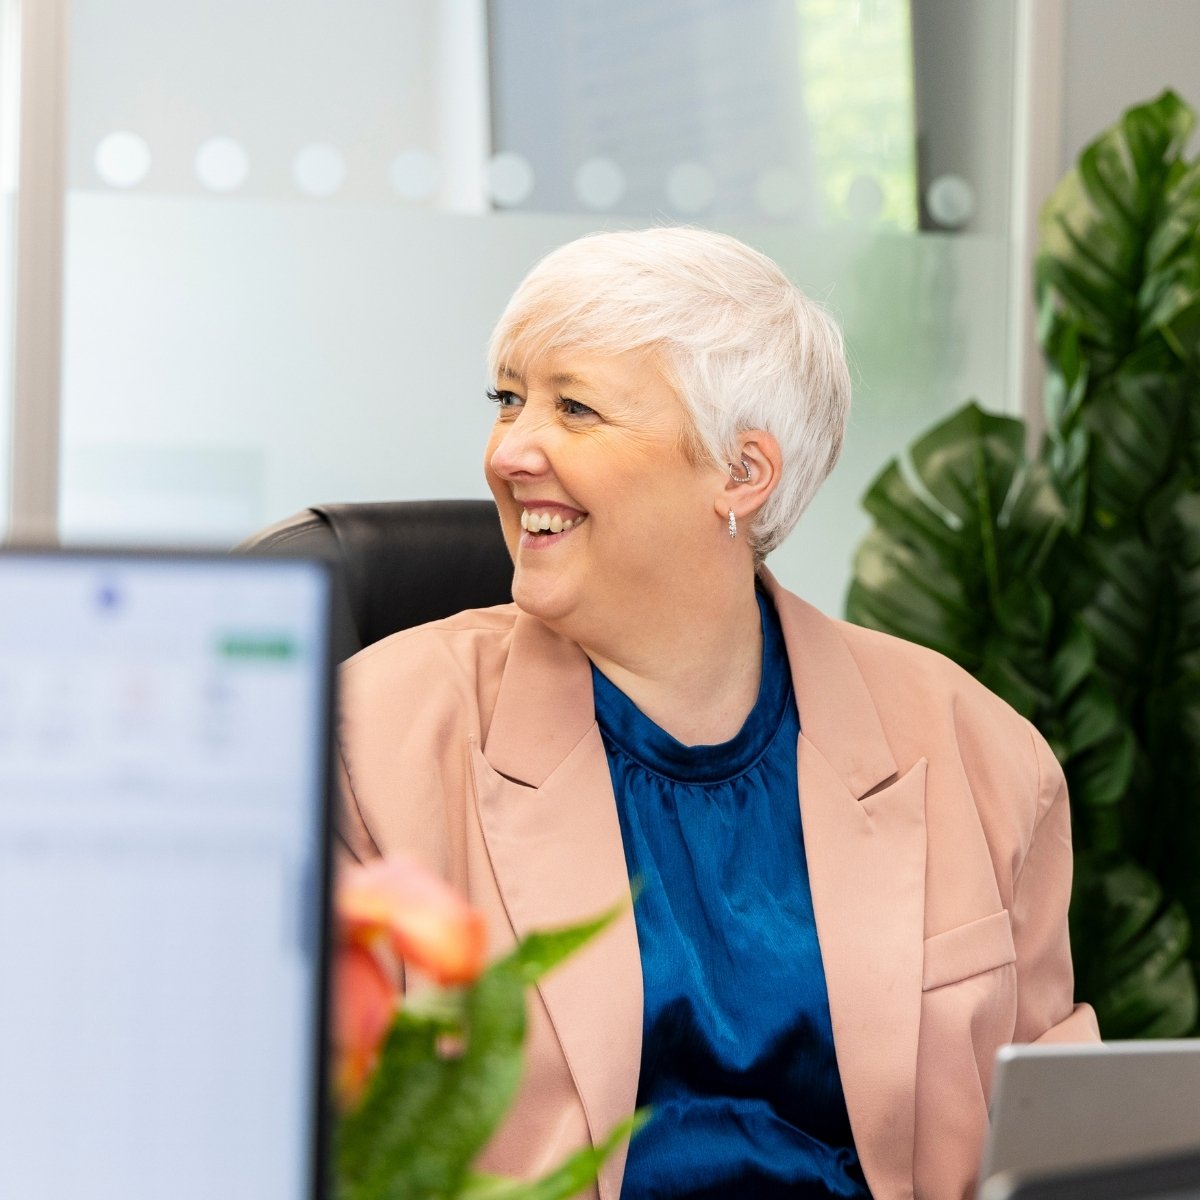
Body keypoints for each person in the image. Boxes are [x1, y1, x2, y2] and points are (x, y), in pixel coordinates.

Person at [334, 227, 1099, 1200]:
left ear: (742, 474)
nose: (509, 451)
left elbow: (1056, 1143)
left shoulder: (977, 750)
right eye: (509, 399)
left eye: (574, 408)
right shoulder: (372, 740)